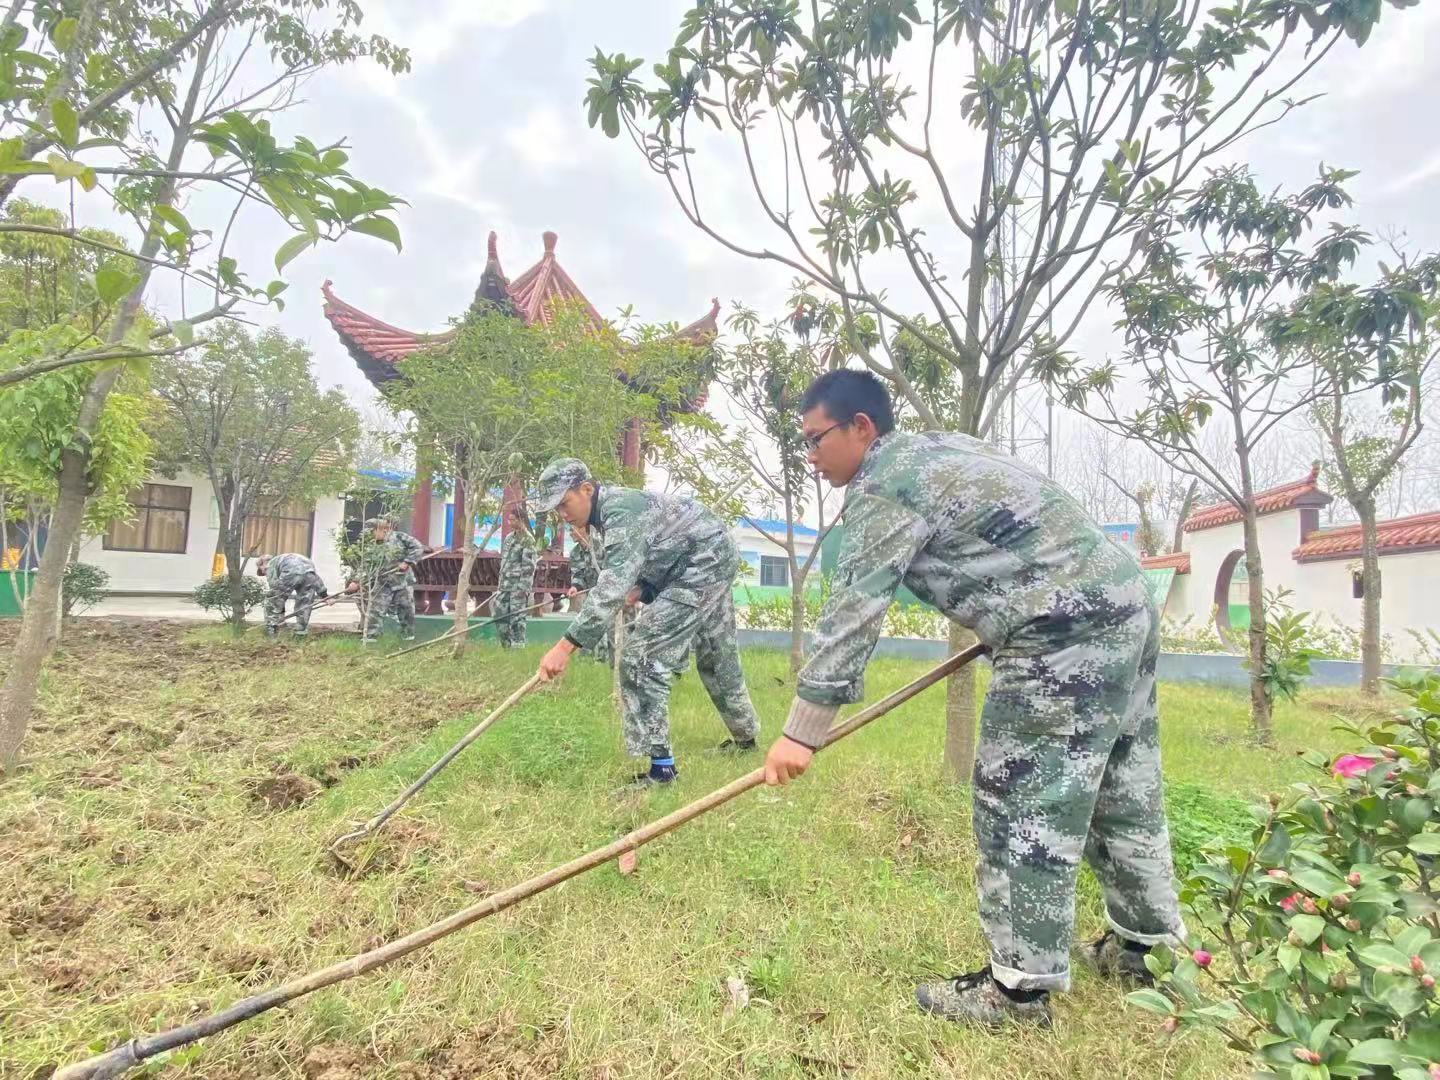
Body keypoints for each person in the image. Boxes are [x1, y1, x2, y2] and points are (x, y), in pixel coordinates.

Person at [762, 370, 1184, 1028]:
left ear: (861, 428)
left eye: (815, 440)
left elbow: (853, 611)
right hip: (1121, 598)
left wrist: (801, 730)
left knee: (1021, 797)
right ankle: (1146, 950)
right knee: (1120, 785)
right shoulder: (940, 449)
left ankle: (1016, 993)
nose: (810, 458)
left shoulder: (885, 483)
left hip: (1060, 626)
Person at [532, 458, 760, 786]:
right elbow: (655, 552)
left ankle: (662, 770)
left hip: (704, 564)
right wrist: (644, 588)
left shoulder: (619, 510)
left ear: (586, 489)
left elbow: (612, 585)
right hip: (704, 557)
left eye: (565, 504)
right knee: (716, 652)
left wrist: (565, 647)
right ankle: (745, 739)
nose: (563, 514)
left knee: (642, 657)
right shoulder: (607, 513)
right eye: (556, 509)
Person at [346, 516, 424, 644]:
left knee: (406, 612)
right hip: (382, 584)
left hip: (402, 582)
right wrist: (356, 581)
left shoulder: (399, 537)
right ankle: (371, 639)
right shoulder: (370, 546)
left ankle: (408, 639)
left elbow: (418, 547)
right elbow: (364, 566)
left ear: (381, 530)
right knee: (375, 612)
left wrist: (407, 562)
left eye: (372, 532)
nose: (370, 535)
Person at [493, 509, 541, 648]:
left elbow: (529, 567)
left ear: (521, 520)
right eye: (509, 519)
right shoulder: (509, 538)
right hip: (504, 586)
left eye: (513, 519)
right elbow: (504, 562)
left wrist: (523, 588)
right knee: (499, 615)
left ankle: (518, 647)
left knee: (517, 619)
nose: (510, 522)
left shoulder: (527, 540)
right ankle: (506, 647)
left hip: (518, 588)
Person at [256, 553, 327, 639]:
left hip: (291, 571)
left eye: (263, 571)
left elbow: (276, 594)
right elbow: (315, 578)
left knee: (272, 601)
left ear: (263, 564)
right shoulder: (290, 559)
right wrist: (324, 595)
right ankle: (300, 634)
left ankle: (271, 632)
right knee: (304, 604)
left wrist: (280, 617)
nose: (265, 573)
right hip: (309, 570)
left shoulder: (270, 564)